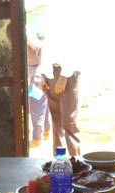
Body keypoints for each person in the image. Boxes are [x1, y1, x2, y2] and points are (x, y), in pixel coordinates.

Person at [39, 1, 81, 156]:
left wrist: (65, 74)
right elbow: (47, 47)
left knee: (68, 122)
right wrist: (43, 74)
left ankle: (75, 162)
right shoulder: (49, 11)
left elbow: (76, 44)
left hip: (66, 74)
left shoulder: (70, 9)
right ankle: (59, 162)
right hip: (50, 73)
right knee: (56, 123)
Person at [27, 32, 50, 149]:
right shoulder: (35, 40)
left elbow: (37, 49)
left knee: (37, 108)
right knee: (43, 106)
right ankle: (46, 131)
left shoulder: (26, 37)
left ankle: (37, 139)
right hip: (39, 73)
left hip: (35, 75)